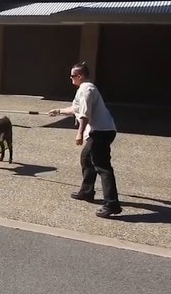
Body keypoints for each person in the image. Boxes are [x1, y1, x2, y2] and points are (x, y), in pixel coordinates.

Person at [48, 62, 122, 218]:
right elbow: (76, 109)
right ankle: (87, 191)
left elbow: (85, 114)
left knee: (102, 166)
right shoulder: (83, 90)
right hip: (101, 131)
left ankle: (112, 204)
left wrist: (79, 133)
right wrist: (58, 111)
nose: (71, 78)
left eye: (72, 76)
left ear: (80, 76)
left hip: (102, 132)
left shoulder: (87, 89)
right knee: (86, 158)